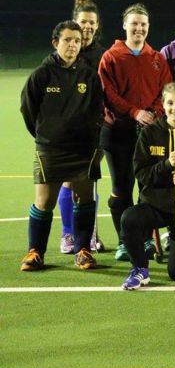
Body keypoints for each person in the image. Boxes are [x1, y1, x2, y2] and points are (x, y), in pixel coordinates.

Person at [20, 21, 104, 272]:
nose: (73, 45)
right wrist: (46, 135)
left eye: (77, 41)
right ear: (56, 43)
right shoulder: (41, 75)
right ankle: (36, 252)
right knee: (44, 201)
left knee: (84, 198)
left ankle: (82, 250)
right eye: (67, 40)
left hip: (83, 149)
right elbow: (28, 110)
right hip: (51, 148)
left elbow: (97, 109)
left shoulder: (89, 75)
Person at [98, 3, 172, 261]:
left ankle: (144, 240)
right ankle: (123, 241)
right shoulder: (111, 56)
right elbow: (108, 94)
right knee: (122, 187)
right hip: (118, 133)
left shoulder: (156, 58)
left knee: (147, 186)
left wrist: (153, 112)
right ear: (125, 26)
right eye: (135, 23)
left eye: (143, 24)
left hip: (149, 133)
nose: (139, 28)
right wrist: (134, 112)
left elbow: (166, 91)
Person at [120, 82, 175, 290]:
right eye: (170, 103)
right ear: (163, 104)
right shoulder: (149, 133)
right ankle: (140, 269)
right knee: (130, 219)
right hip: (154, 205)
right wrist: (166, 165)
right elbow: (141, 174)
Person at [58, 0, 106, 254]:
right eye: (83, 22)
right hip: (67, 130)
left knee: (88, 181)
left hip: (95, 129)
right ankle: (67, 234)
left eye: (91, 23)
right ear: (74, 22)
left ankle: (88, 236)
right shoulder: (66, 52)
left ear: (97, 26)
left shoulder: (103, 55)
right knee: (67, 181)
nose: (87, 27)